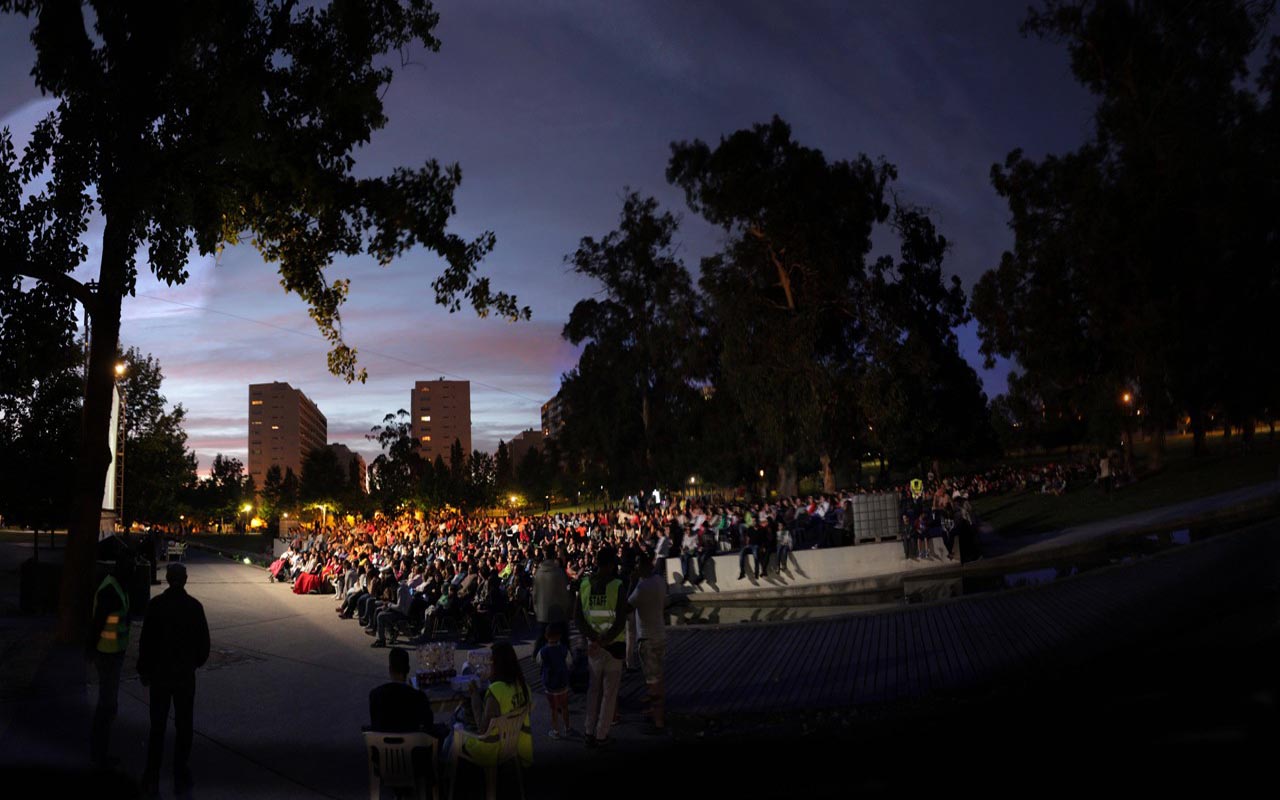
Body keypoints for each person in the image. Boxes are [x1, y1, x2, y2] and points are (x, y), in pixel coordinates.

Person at [137, 562, 211, 798]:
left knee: (157, 726)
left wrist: (144, 670)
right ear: (185, 579)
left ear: (168, 579)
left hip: (160, 675)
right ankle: (180, 770)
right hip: (183, 676)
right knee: (184, 725)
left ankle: (152, 774)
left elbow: (145, 642)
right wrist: (193, 663)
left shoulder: (156, 605)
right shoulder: (194, 607)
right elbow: (204, 645)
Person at [573, 548, 631, 748]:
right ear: (611, 564)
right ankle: (601, 734)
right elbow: (621, 617)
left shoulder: (585, 584)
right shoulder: (618, 585)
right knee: (609, 693)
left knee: (593, 690)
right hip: (614, 647)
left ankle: (589, 730)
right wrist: (606, 639)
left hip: (594, 647)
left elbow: (578, 617)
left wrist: (594, 638)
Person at [452, 641, 533, 768]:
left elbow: (482, 729)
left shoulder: (496, 691)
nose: (488, 666)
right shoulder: (525, 687)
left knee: (456, 724)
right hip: (515, 744)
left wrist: (474, 695)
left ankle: (447, 774)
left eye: (490, 662)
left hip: (491, 748)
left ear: (497, 665)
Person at [89, 554, 133, 769]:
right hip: (107, 654)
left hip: (114, 652)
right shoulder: (111, 589)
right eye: (131, 568)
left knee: (107, 704)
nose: (133, 573)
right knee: (107, 706)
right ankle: (99, 754)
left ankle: (100, 750)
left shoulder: (118, 585)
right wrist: (91, 650)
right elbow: (98, 623)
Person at [627, 555, 667, 735]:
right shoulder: (659, 580)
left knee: (653, 681)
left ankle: (658, 721)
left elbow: (627, 606)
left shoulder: (641, 588)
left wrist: (632, 582)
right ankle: (655, 710)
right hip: (660, 635)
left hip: (647, 638)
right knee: (658, 675)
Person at [534, 622, 571, 739]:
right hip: (563, 683)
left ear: (546, 636)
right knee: (564, 706)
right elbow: (569, 663)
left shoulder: (543, 651)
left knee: (553, 709)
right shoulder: (564, 649)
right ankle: (567, 727)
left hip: (549, 684)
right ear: (560, 636)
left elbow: (538, 662)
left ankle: (556, 731)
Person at [531, 547, 570, 654]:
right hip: (558, 611)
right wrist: (566, 609)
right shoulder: (559, 572)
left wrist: (537, 609)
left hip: (543, 612)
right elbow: (564, 593)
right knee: (564, 638)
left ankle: (536, 657)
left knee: (541, 638)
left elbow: (535, 593)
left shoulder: (539, 573)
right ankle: (568, 659)